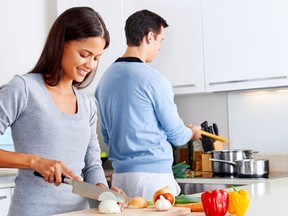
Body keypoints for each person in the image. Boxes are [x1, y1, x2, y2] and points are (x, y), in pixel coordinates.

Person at [0, 7, 124, 216]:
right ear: (61, 44)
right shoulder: (24, 89)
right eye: (84, 54)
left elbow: (92, 162)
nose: (90, 65)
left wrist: (103, 192)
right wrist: (35, 161)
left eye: (96, 58)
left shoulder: (87, 104)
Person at [95, 9, 201, 201]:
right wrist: (192, 133)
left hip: (119, 179)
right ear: (150, 37)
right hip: (154, 179)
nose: (160, 47)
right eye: (160, 40)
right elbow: (177, 135)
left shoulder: (104, 81)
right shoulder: (154, 80)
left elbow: (106, 135)